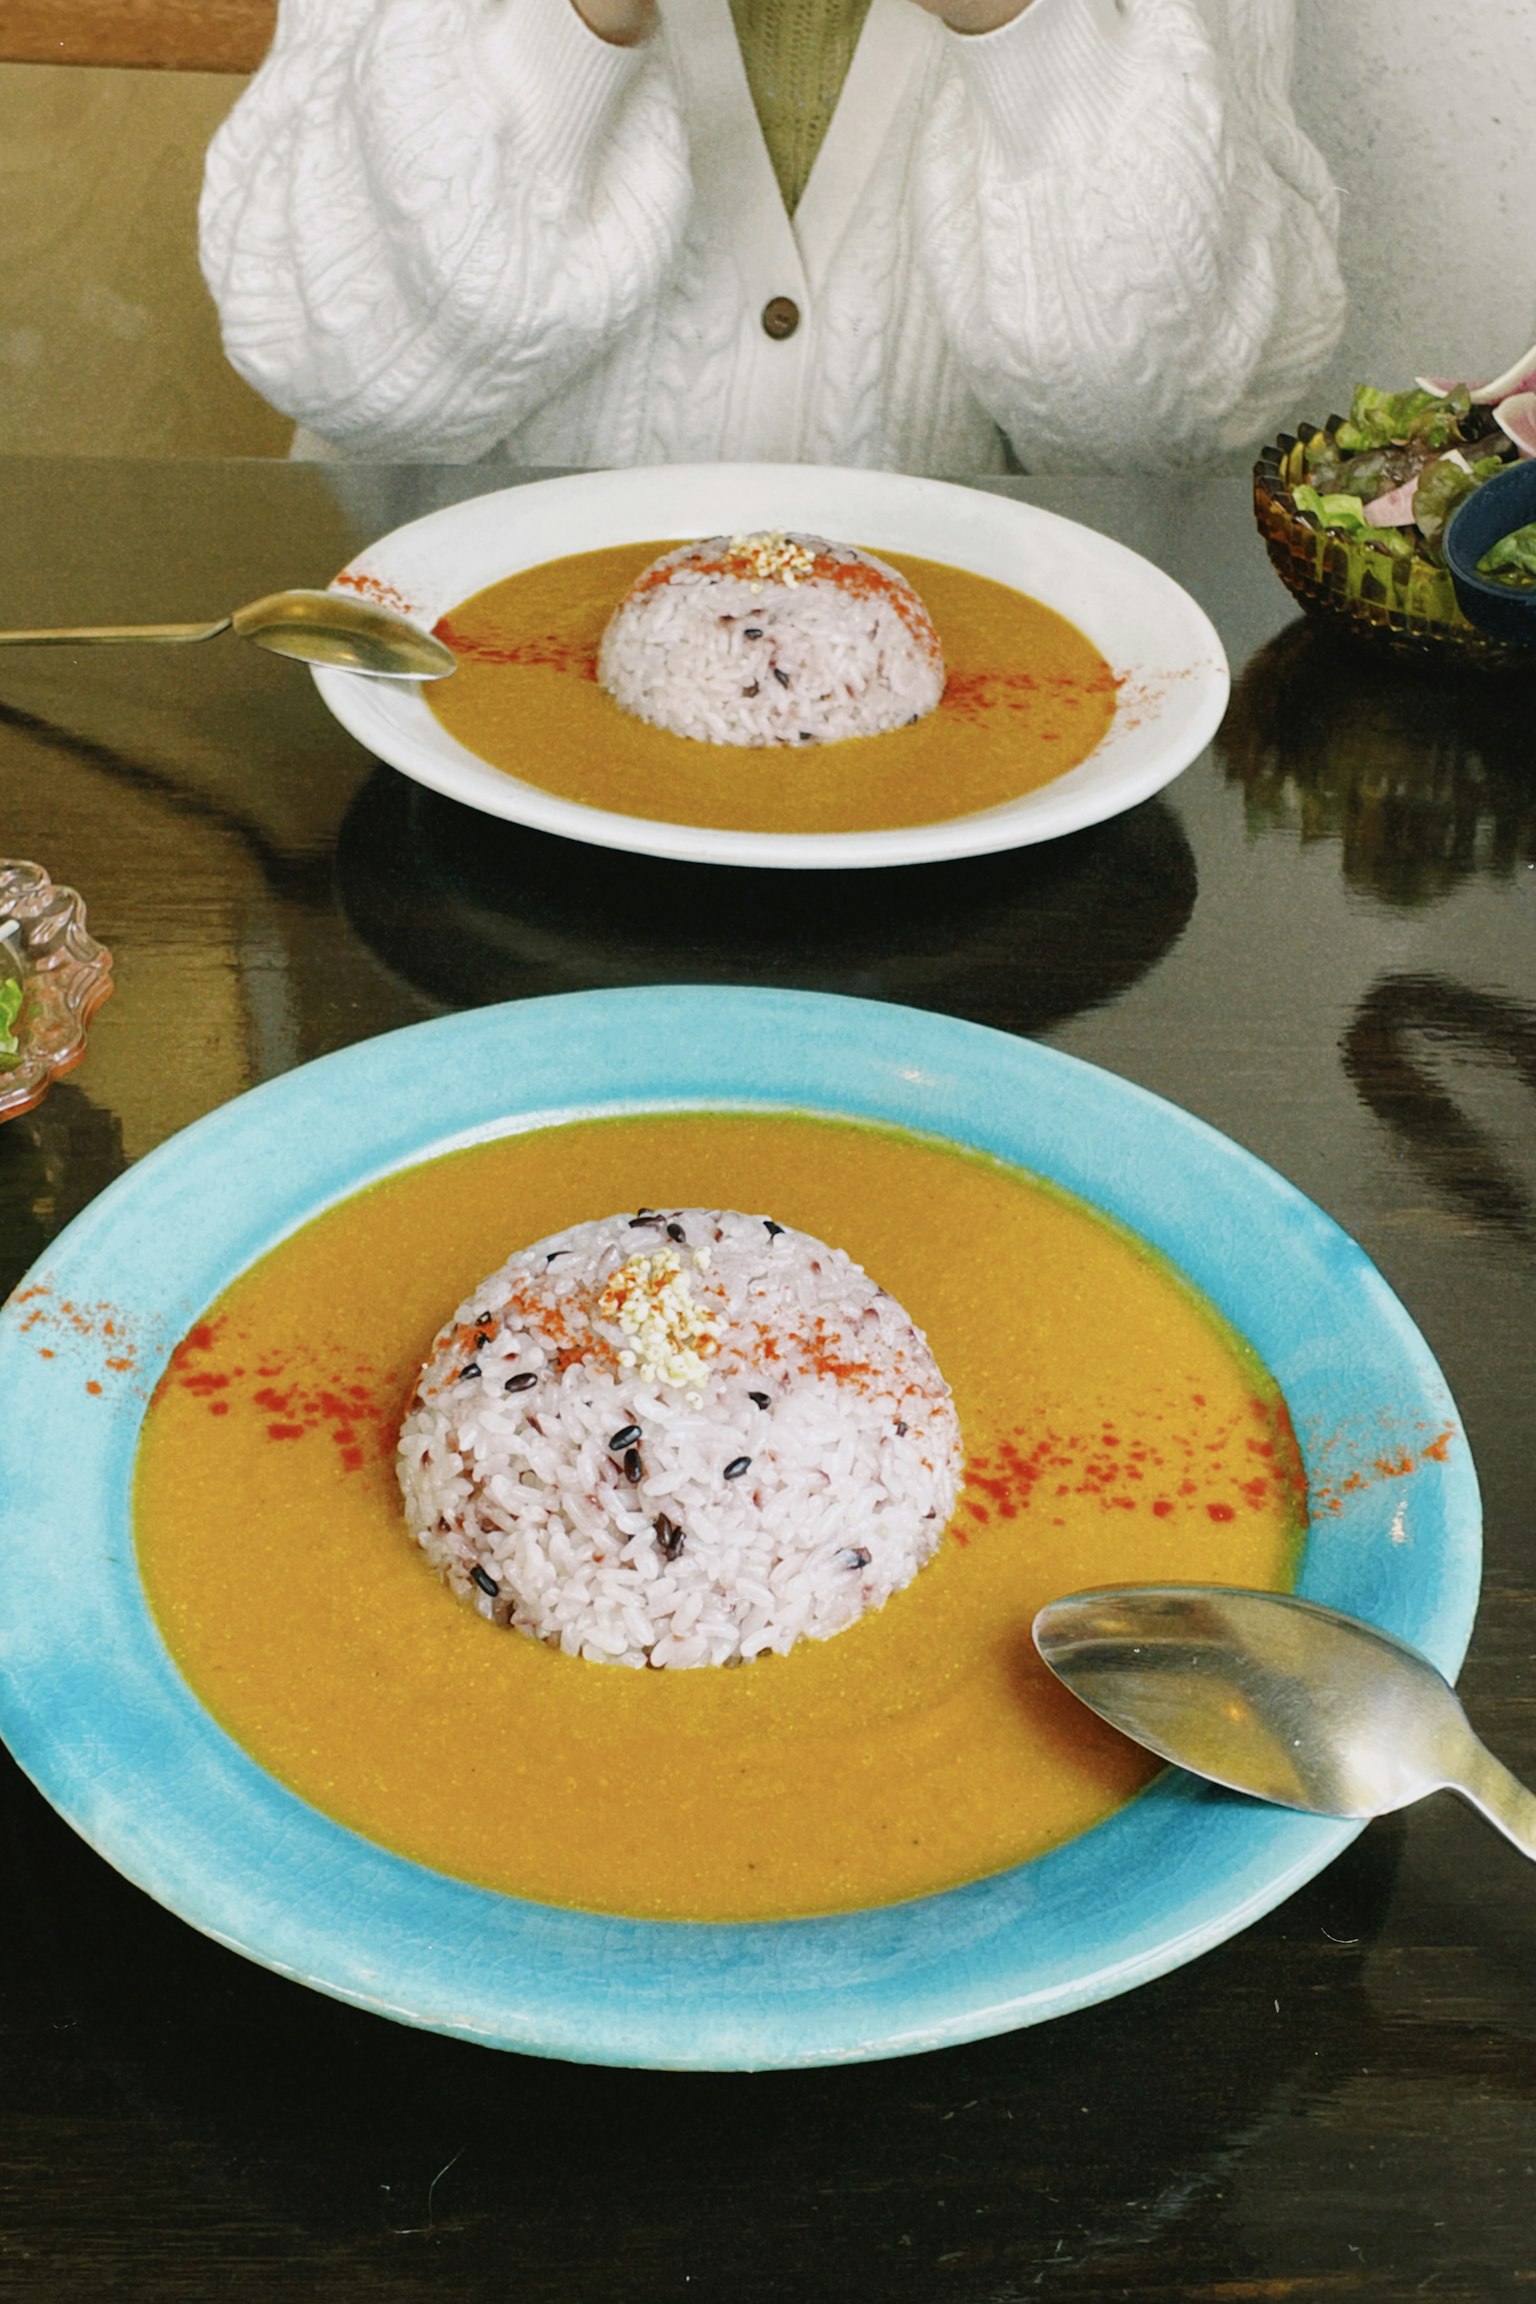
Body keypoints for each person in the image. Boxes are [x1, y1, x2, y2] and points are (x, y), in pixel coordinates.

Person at [199, 0, 1344, 475]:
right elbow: (351, 374)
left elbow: (1161, 424)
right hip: (442, 747)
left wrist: (1018, 19)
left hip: (964, 792)